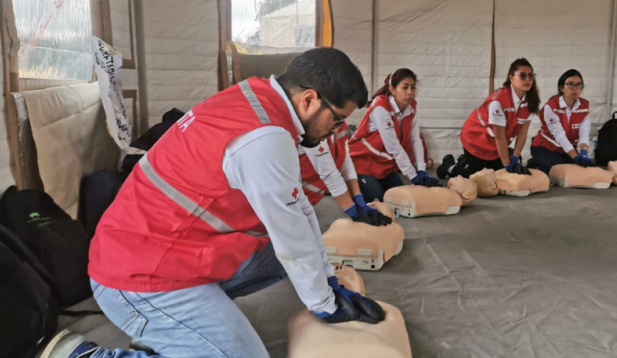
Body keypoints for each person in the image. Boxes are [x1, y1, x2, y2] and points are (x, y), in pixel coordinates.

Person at [40, 48, 385, 358]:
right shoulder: (266, 137)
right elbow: (292, 238)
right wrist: (324, 304)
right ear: (310, 99)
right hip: (136, 275)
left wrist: (328, 283)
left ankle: (177, 335)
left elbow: (298, 212)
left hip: (162, 249)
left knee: (279, 258)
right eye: (337, 119)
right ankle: (84, 355)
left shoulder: (256, 97)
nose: (338, 130)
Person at [437, 58, 541, 179]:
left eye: (531, 75)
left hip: (494, 144)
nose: (528, 79)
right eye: (522, 75)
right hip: (475, 140)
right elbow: (499, 136)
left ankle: (465, 161)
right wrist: (507, 165)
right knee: (483, 179)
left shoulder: (531, 101)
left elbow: (523, 132)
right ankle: (450, 167)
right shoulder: (498, 101)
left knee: (504, 173)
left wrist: (515, 158)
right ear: (511, 78)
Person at [348, 68, 439, 203]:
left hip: (383, 166)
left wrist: (421, 169)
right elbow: (394, 147)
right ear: (392, 89)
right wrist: (413, 176)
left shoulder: (411, 107)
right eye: (405, 87)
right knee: (376, 198)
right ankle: (349, 182)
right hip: (363, 162)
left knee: (398, 197)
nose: (410, 92)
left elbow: (415, 139)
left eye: (413, 87)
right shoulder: (381, 107)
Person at [298, 122, 391, 226]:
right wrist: (354, 212)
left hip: (306, 199)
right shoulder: (312, 129)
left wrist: (359, 199)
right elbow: (329, 173)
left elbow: (345, 162)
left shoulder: (340, 125)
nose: (336, 130)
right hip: (290, 198)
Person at [530, 69, 595, 174]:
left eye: (578, 85)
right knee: (562, 170)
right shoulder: (551, 107)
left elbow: (584, 132)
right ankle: (536, 165)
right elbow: (560, 136)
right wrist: (575, 157)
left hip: (565, 149)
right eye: (570, 84)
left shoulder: (584, 106)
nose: (574, 88)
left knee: (580, 169)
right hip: (544, 148)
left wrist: (583, 153)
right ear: (561, 87)